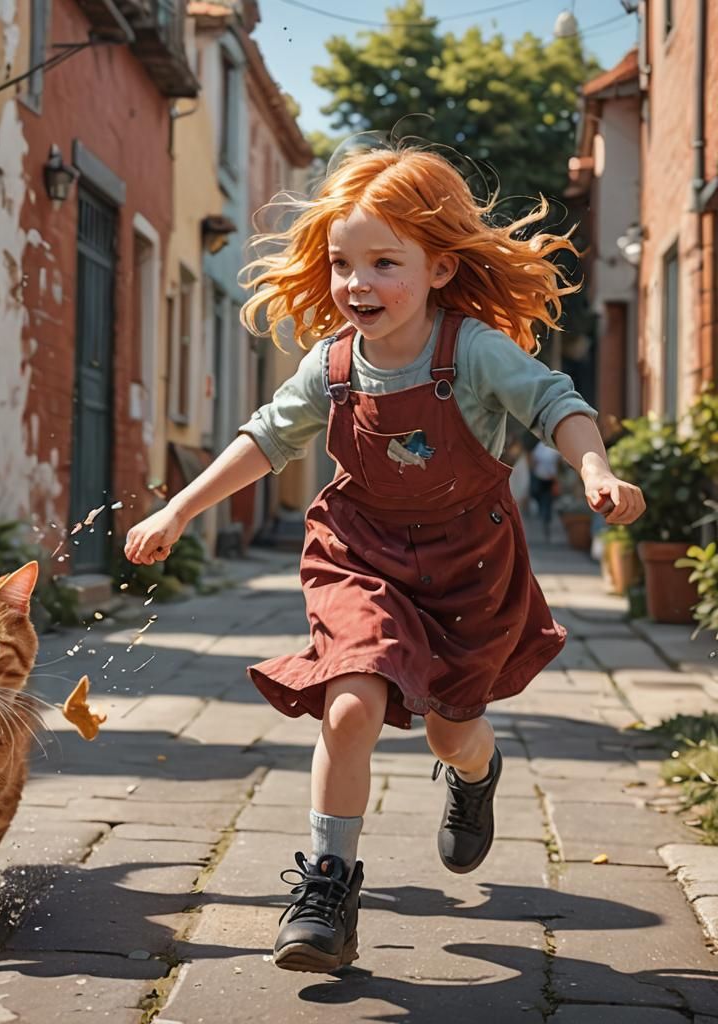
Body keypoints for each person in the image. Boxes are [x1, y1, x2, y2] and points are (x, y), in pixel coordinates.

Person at [124, 140, 645, 974]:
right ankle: (328, 885)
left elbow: (555, 401)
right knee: (350, 705)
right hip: (357, 555)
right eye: (341, 263)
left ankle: (478, 775)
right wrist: (179, 508)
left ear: (440, 268)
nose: (357, 283)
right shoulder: (331, 364)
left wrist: (595, 466)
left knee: (452, 733)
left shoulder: (470, 350)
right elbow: (265, 437)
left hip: (470, 572)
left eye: (384, 263)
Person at [529, 438, 562, 540]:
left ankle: (545, 518)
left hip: (548, 478)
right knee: (542, 498)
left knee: (547, 500)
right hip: (541, 477)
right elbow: (533, 460)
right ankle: (544, 517)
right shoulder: (541, 446)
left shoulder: (550, 448)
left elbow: (558, 463)